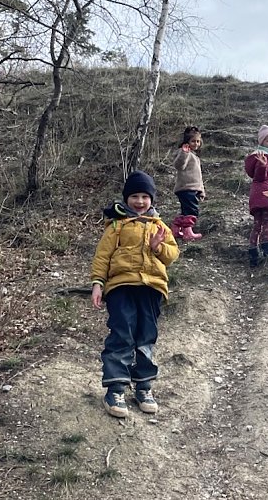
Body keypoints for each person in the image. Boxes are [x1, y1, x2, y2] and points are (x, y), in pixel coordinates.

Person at [90, 171, 179, 418]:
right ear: (126, 199)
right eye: (134, 196)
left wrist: (157, 247)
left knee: (146, 335)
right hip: (121, 286)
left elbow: (172, 255)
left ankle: (144, 385)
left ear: (151, 199)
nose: (140, 201)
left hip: (151, 287)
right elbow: (102, 257)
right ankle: (116, 388)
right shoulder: (116, 226)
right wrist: (98, 283)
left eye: (144, 197)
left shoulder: (159, 226)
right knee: (122, 333)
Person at [244, 124, 268, 268]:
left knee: (258, 224)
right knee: (267, 222)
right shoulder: (262, 156)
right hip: (266, 195)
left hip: (258, 195)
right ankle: (267, 249)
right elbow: (259, 177)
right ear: (262, 142)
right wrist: (262, 165)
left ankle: (253, 251)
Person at [171, 125, 205, 241]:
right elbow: (179, 166)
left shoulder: (195, 157)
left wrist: (201, 191)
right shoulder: (183, 153)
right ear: (187, 141)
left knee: (186, 211)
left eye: (198, 141)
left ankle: (176, 228)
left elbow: (198, 177)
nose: (196, 144)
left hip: (193, 188)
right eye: (193, 141)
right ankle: (188, 233)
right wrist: (184, 153)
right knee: (192, 211)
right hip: (186, 188)